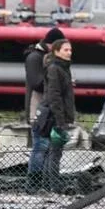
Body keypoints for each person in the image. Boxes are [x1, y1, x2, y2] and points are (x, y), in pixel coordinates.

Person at [27, 39, 75, 191]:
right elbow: (54, 96)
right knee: (42, 151)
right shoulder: (54, 68)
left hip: (55, 116)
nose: (69, 52)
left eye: (70, 50)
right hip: (49, 117)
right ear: (56, 51)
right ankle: (36, 186)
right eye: (65, 50)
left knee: (53, 153)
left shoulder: (63, 68)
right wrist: (61, 121)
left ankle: (49, 186)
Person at [23, 26, 64, 141]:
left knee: (46, 148)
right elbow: (36, 83)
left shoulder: (50, 58)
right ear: (51, 45)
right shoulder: (34, 58)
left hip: (48, 109)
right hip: (37, 108)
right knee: (40, 147)